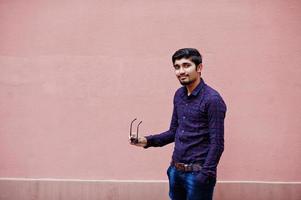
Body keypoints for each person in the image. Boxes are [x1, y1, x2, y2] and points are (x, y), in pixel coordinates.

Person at [129, 48, 227, 200]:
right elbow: (174, 132)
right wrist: (146, 140)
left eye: (186, 65)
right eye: (177, 67)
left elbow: (217, 143)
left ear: (199, 68)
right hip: (175, 171)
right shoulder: (179, 95)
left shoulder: (212, 100)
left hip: (197, 175)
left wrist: (205, 175)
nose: (181, 71)